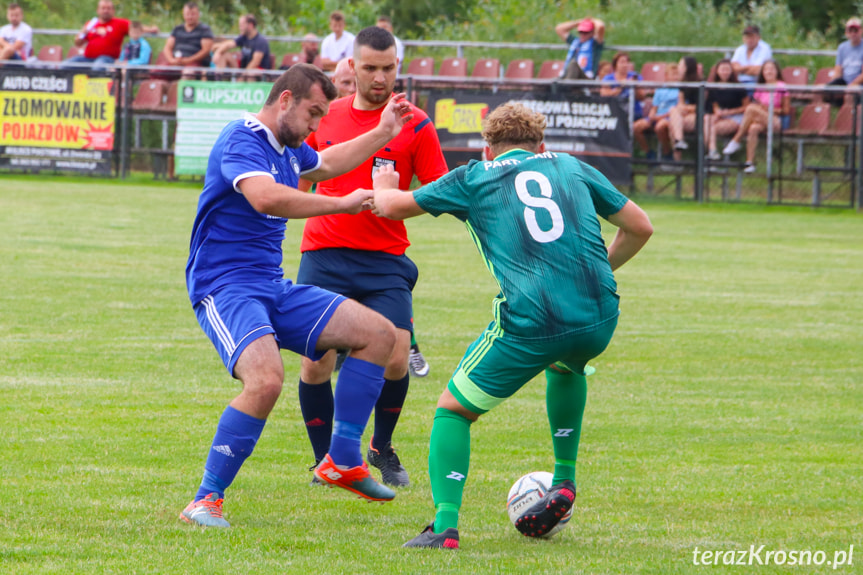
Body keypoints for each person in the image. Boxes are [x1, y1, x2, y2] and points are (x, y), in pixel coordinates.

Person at [368, 102, 653, 549]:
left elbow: (391, 207)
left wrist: (383, 183)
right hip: (600, 314)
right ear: (542, 146)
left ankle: (444, 526)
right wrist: (597, 272)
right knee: (567, 365)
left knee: (452, 411)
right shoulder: (570, 166)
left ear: (487, 149)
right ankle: (564, 480)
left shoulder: (473, 177)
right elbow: (640, 226)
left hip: (533, 319)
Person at [179, 63, 416, 528]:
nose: (315, 126)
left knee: (380, 335)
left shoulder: (288, 149)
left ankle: (342, 459)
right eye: (312, 114)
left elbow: (327, 163)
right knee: (266, 380)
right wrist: (342, 202)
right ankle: (205, 500)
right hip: (225, 287)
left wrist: (383, 131)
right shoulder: (242, 137)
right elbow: (267, 198)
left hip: (272, 285)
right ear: (284, 100)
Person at [295, 26, 448, 488]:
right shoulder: (328, 116)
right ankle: (328, 461)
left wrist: (399, 201)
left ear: (397, 66)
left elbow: (439, 191)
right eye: (370, 68)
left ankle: (380, 447)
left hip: (385, 259)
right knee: (314, 361)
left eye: (388, 68)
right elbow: (298, 185)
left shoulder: (416, 123)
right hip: (324, 252)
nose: (380, 78)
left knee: (398, 355)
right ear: (351, 67)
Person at [722, 59, 790, 173]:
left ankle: (737, 139)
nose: (769, 72)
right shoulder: (761, 87)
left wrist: (769, 109)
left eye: (772, 69)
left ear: (777, 71)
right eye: (766, 69)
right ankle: (750, 162)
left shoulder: (781, 87)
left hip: (777, 120)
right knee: (753, 128)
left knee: (750, 108)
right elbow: (757, 106)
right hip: (761, 119)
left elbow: (786, 110)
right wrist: (761, 109)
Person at [66, 0, 157, 68]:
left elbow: (136, 28)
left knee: (98, 66)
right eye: (103, 8)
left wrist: (151, 29)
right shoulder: (91, 24)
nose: (106, 11)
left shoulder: (119, 23)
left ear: (113, 11)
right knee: (66, 65)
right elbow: (78, 43)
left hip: (108, 59)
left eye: (108, 8)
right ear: (98, 10)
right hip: (88, 58)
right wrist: (82, 33)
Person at [704, 59, 749, 160]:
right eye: (722, 69)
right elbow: (714, 104)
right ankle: (712, 151)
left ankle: (711, 154)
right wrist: (718, 112)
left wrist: (729, 112)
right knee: (706, 120)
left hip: (735, 116)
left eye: (727, 69)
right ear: (717, 71)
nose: (725, 72)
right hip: (721, 115)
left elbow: (746, 107)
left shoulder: (739, 87)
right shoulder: (713, 87)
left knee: (711, 129)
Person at [633, 63, 680, 161]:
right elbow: (655, 107)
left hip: (669, 118)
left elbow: (677, 109)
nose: (675, 77)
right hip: (658, 116)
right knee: (636, 127)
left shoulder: (680, 91)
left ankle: (667, 153)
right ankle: (648, 153)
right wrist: (651, 116)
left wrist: (661, 117)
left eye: (677, 74)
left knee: (660, 127)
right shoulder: (660, 89)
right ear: (666, 76)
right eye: (673, 74)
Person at [662, 56, 699, 165]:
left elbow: (702, 106)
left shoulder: (699, 83)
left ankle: (676, 160)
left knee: (673, 123)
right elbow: (681, 103)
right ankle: (679, 141)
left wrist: (685, 108)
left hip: (700, 116)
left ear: (687, 68)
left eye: (680, 65)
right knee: (673, 112)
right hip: (686, 115)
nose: (678, 68)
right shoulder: (682, 84)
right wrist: (682, 108)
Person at [161, 1, 214, 76]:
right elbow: (167, 47)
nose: (190, 17)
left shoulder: (205, 30)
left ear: (198, 14)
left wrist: (188, 60)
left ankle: (182, 87)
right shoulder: (177, 29)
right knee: (156, 71)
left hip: (196, 63)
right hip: (176, 61)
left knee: (187, 74)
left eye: (192, 14)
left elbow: (205, 51)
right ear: (183, 14)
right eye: (187, 14)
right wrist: (172, 60)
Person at [212, 13, 271, 79]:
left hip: (260, 72)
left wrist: (241, 77)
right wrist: (218, 53)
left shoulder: (260, 41)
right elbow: (228, 45)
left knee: (251, 73)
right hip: (243, 69)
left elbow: (255, 62)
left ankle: (244, 87)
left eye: (242, 25)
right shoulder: (243, 37)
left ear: (250, 25)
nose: (240, 28)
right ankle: (218, 82)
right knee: (224, 55)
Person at [824, 17, 863, 107]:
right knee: (820, 91)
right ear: (846, 33)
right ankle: (822, 117)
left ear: (860, 31)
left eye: (855, 30)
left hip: (859, 84)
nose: (853, 33)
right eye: (850, 31)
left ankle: (848, 119)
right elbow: (838, 70)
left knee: (850, 93)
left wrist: (851, 85)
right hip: (844, 81)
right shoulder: (842, 47)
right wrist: (833, 84)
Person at [599, 52, 646, 120]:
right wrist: (621, 86)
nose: (625, 65)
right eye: (622, 62)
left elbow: (642, 96)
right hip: (615, 114)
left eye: (626, 62)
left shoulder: (635, 76)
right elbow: (604, 95)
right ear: (615, 65)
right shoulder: (608, 78)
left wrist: (634, 86)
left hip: (634, 113)